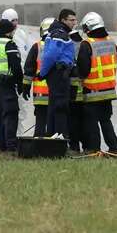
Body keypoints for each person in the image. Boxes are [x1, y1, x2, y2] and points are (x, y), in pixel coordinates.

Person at [76, 12, 117, 153]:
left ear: (88, 27)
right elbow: (115, 63)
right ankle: (114, 148)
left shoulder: (87, 44)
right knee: (106, 120)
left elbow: (83, 69)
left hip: (92, 90)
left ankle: (94, 149)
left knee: (92, 122)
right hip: (109, 90)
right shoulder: (111, 42)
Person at [39, 8, 77, 140]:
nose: (74, 23)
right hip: (59, 75)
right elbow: (50, 55)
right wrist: (43, 73)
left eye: (75, 20)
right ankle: (60, 139)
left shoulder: (57, 33)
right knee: (61, 107)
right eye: (71, 20)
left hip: (58, 74)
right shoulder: (60, 34)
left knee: (55, 106)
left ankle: (53, 137)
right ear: (63, 20)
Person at [0, 19, 24, 152]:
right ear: (10, 31)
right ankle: (11, 146)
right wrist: (20, 84)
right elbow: (16, 67)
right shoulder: (9, 44)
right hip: (7, 84)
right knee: (11, 114)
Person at [22, 17, 55, 137]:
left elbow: (29, 70)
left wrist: (25, 87)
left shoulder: (37, 47)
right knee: (55, 122)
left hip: (40, 94)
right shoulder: (61, 45)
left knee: (40, 121)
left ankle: (38, 146)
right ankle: (55, 148)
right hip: (56, 94)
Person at [67, 27, 92, 152]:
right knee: (85, 121)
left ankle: (74, 146)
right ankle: (87, 146)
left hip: (73, 92)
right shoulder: (84, 44)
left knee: (73, 121)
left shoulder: (68, 45)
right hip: (86, 92)